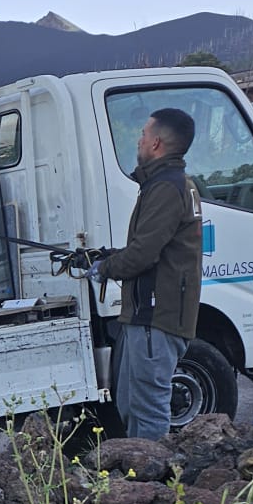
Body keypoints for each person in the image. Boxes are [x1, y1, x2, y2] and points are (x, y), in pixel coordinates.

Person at [94, 107, 203, 440]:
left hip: (156, 316)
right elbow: (151, 246)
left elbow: (144, 254)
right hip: (145, 316)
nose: (139, 140)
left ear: (156, 143)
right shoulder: (165, 184)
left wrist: (104, 268)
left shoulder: (167, 187)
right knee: (130, 403)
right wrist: (109, 257)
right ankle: (140, 466)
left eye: (143, 134)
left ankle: (153, 472)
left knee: (148, 408)